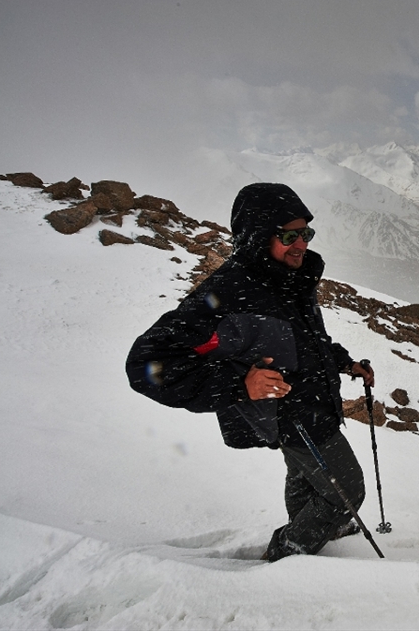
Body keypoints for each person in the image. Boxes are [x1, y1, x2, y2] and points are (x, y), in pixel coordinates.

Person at [127, 182, 373, 562]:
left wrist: (344, 362)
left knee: (305, 476)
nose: (301, 244)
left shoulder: (290, 277)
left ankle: (311, 536)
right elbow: (147, 365)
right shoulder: (228, 293)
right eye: (289, 235)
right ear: (259, 236)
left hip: (314, 405)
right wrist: (239, 385)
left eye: (305, 233)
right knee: (348, 492)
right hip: (296, 417)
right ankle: (286, 555)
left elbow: (306, 339)